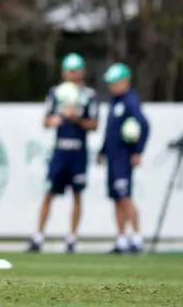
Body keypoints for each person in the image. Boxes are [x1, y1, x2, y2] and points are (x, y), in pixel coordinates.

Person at [27, 53, 98, 253]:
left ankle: (71, 239)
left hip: (79, 152)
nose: (72, 75)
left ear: (83, 71)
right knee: (49, 193)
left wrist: (75, 118)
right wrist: (56, 120)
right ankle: (38, 238)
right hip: (60, 151)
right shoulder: (56, 93)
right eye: (68, 71)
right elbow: (46, 121)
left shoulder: (89, 95)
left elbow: (94, 124)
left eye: (75, 70)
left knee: (77, 194)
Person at [98, 63, 150, 254]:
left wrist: (138, 151)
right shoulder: (114, 101)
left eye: (115, 81)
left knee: (125, 196)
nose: (112, 85)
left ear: (125, 81)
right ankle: (121, 239)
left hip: (123, 157)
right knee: (117, 198)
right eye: (110, 82)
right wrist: (102, 151)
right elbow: (110, 130)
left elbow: (144, 125)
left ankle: (136, 239)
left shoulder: (130, 100)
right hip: (112, 157)